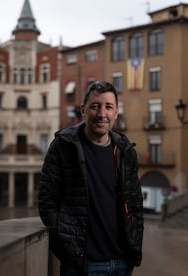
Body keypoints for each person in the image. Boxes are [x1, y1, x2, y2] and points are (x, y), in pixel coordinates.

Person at [38, 81, 143, 275]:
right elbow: (47, 201)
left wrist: (133, 251)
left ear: (116, 112)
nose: (102, 114)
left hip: (121, 265)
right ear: (83, 110)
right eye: (95, 106)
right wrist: (67, 249)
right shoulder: (63, 146)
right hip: (81, 266)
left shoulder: (124, 151)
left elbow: (135, 204)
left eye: (108, 107)